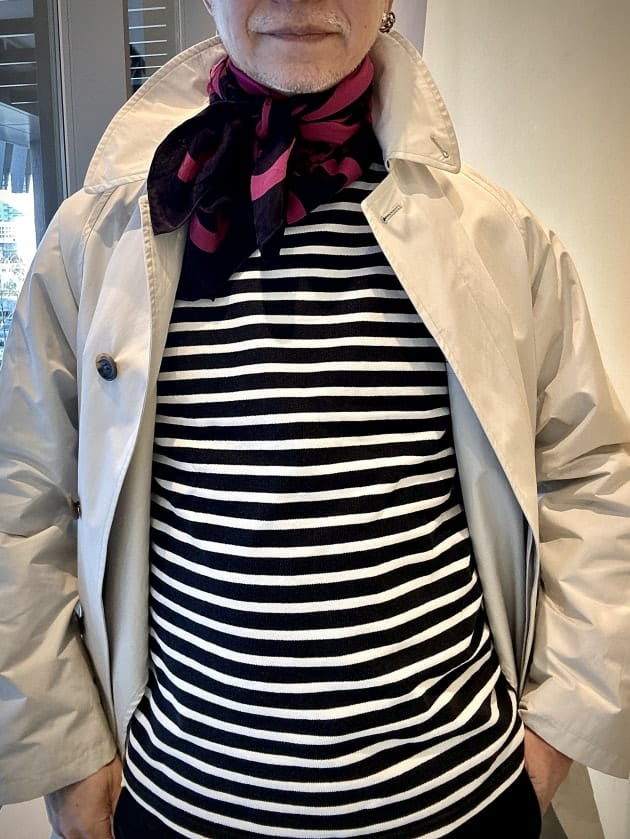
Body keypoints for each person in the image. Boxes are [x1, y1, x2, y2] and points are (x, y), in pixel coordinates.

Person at [0, 1, 628, 837]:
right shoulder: (98, 240)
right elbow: (20, 500)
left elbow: (593, 475)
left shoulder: (500, 238)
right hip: (183, 805)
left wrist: (559, 729)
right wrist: (65, 756)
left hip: (465, 800)